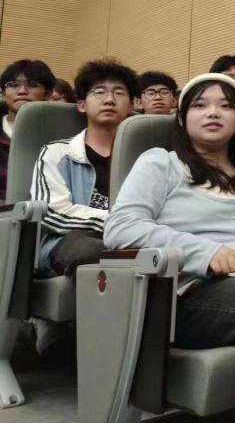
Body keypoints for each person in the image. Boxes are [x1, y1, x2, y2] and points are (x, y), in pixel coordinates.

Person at [104, 73, 235, 357]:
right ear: (181, 118)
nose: (213, 112)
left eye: (226, 106)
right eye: (200, 105)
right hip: (195, 288)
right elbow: (121, 227)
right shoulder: (162, 164)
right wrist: (204, 252)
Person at [31, 59, 139, 276]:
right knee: (96, 252)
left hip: (132, 236)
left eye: (119, 93)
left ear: (131, 105)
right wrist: (120, 223)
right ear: (82, 104)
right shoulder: (56, 153)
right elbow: (52, 212)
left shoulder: (144, 157)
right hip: (70, 238)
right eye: (99, 92)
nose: (109, 99)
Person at [1, 59, 56, 202]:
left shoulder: (59, 135)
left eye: (32, 84)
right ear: (3, 92)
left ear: (48, 93)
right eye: (13, 85)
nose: (22, 91)